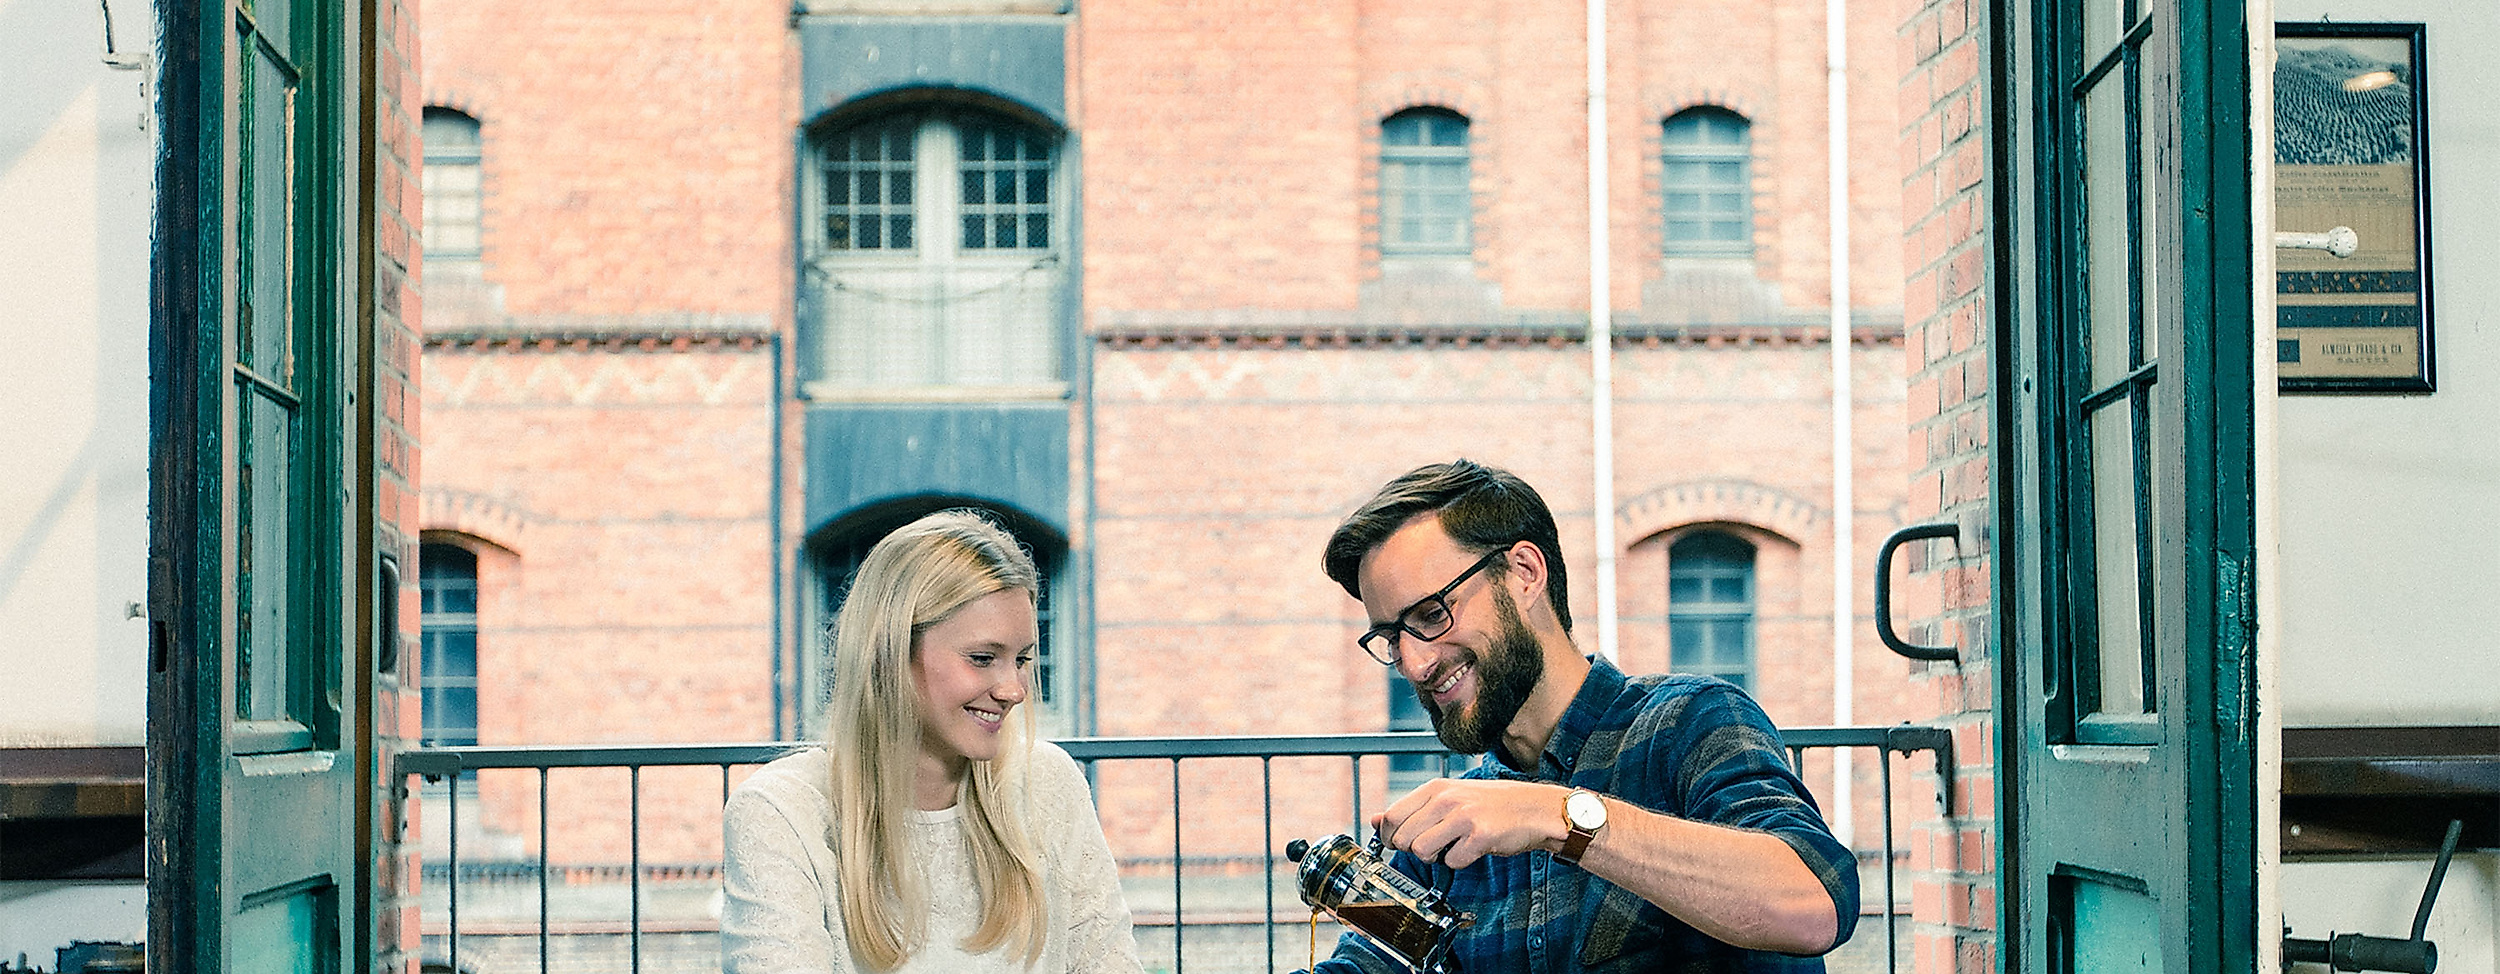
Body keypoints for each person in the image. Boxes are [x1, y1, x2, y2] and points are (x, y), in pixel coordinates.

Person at [1308, 460, 1858, 973]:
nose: (1416, 662)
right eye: (1391, 637)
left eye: (1432, 614)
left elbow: (1815, 903)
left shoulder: (1691, 722)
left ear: (1524, 573)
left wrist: (1557, 816)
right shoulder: (1447, 833)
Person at [721, 510, 1144, 974]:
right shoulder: (779, 812)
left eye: (1021, 659)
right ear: (890, 654)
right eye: (983, 659)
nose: (1014, 690)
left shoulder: (1049, 782)